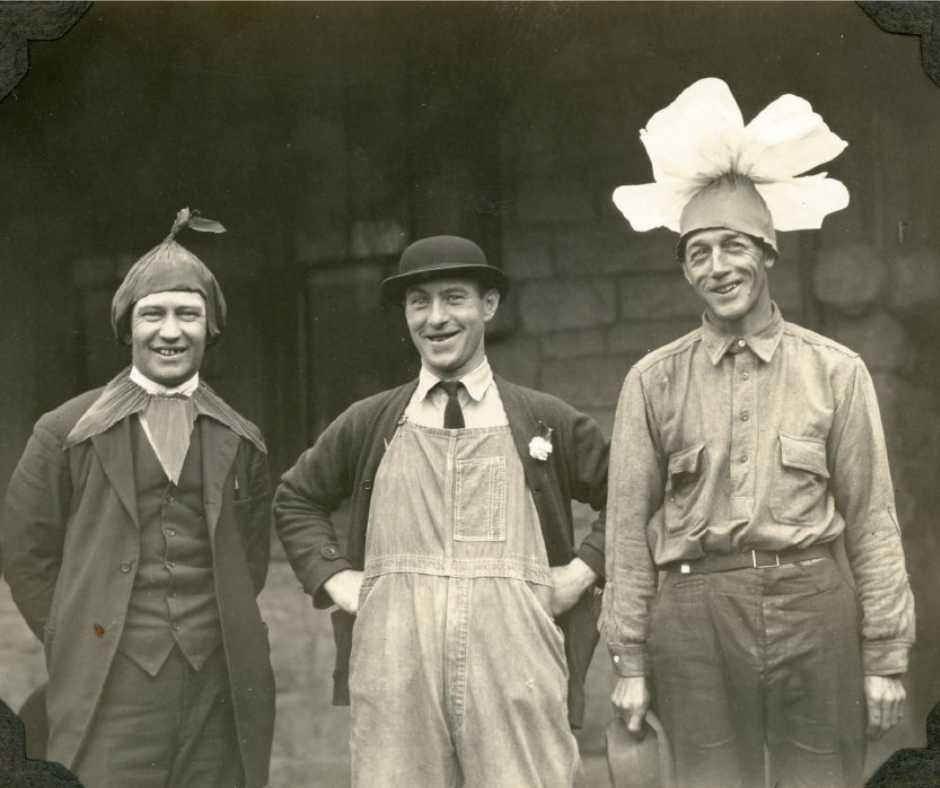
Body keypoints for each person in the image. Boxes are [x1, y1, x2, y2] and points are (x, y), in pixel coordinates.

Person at [605, 78, 916, 788]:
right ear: (685, 269)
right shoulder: (651, 382)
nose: (718, 268)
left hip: (815, 605)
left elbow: (872, 520)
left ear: (768, 253)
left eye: (733, 247)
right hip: (694, 620)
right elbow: (626, 530)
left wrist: (885, 655)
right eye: (698, 253)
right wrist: (628, 660)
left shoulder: (837, 372)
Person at [275, 235, 608, 787]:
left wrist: (582, 570)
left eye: (454, 298)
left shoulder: (545, 420)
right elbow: (296, 497)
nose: (435, 319)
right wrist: (336, 577)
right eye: (418, 302)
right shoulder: (370, 422)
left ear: (489, 306)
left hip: (515, 666)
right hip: (398, 668)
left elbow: (632, 493)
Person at [2, 208, 275, 788]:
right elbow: (26, 552)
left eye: (188, 315)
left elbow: (247, 560)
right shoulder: (67, 430)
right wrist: (78, 633)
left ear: (211, 327)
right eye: (153, 314)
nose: (170, 332)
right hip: (109, 688)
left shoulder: (241, 437)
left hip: (216, 688)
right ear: (128, 327)